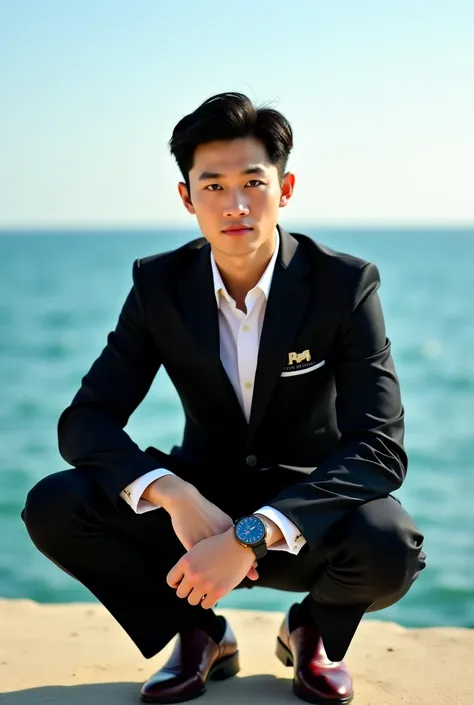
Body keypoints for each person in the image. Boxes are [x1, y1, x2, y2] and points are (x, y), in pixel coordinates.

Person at [22, 92, 426, 705]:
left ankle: (310, 628)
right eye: (212, 186)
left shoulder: (344, 284)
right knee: (55, 504)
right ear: (186, 198)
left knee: (391, 544)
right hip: (197, 507)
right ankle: (200, 630)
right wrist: (172, 493)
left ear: (285, 188)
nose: (235, 205)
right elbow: (86, 421)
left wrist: (251, 536)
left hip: (305, 515)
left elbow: (379, 448)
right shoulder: (159, 284)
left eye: (252, 183)